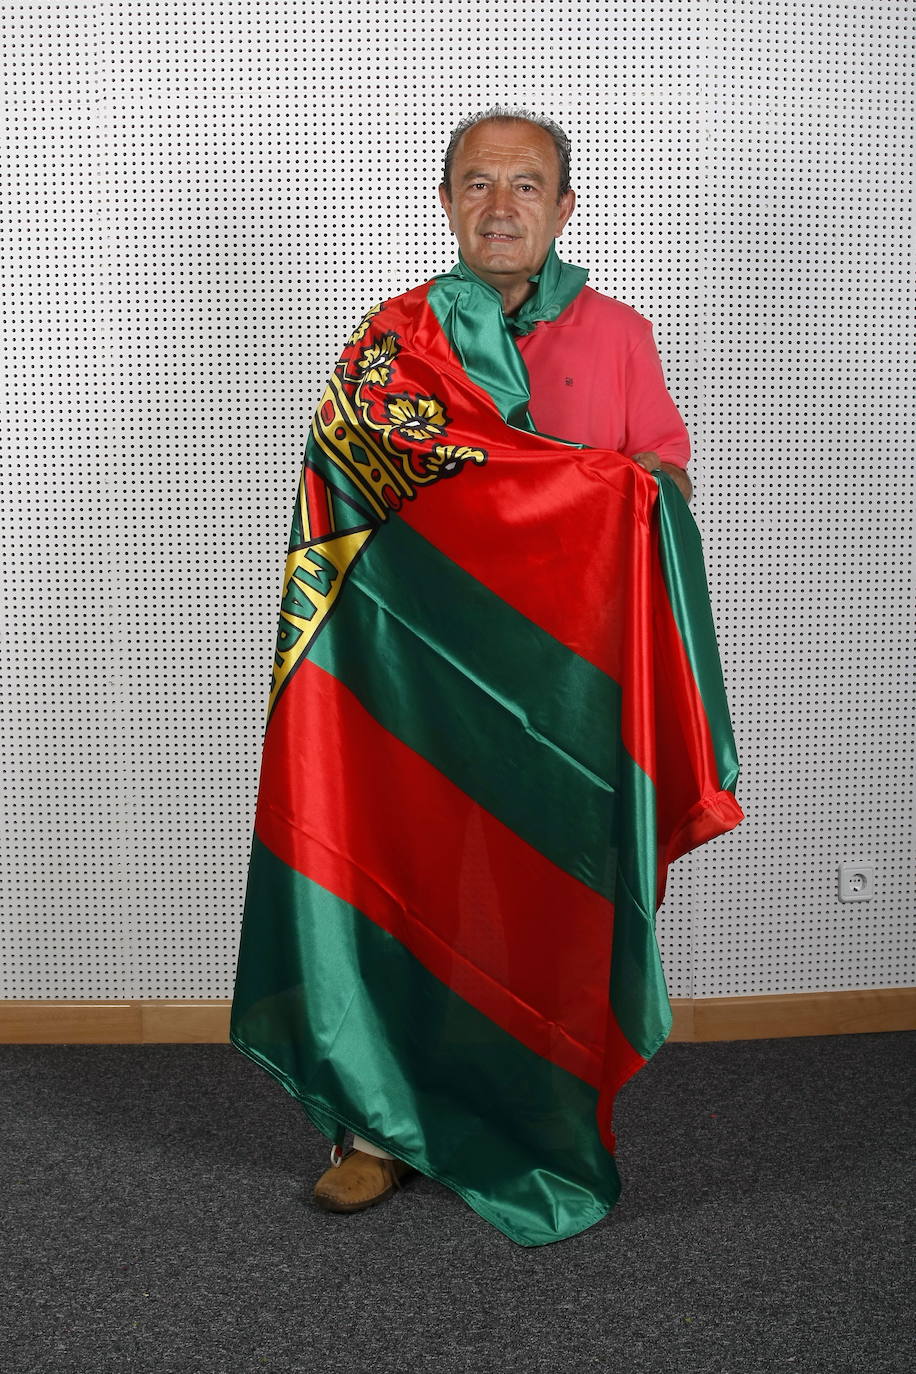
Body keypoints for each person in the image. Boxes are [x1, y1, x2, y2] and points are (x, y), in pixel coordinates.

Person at [304, 107, 697, 1215]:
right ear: (445, 204)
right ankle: (376, 1131)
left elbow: (662, 479)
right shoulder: (396, 337)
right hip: (419, 691)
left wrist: (593, 491)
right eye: (477, 183)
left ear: (565, 208)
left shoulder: (619, 332)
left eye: (526, 185)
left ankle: (542, 1120)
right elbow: (346, 497)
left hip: (565, 694)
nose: (500, 206)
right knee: (405, 896)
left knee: (554, 909)